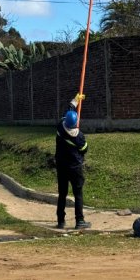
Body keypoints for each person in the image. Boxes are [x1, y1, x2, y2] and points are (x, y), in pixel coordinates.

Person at [56, 95, 90, 229]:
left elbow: (67, 112)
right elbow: (85, 149)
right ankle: (79, 221)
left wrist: (75, 100)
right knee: (78, 194)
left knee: (62, 193)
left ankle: (60, 221)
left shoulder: (60, 127)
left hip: (61, 166)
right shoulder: (79, 136)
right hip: (75, 168)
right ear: (76, 123)